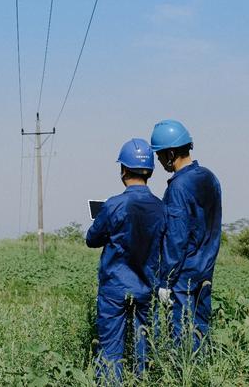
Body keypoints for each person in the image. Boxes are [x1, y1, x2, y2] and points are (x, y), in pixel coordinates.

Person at [86, 138, 166, 381]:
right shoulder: (162, 208)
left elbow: (92, 239)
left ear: (123, 170)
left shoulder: (113, 205)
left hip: (114, 286)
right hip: (146, 286)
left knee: (110, 349)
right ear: (150, 171)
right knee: (146, 345)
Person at [150, 119, 222, 351]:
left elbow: (176, 238)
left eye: (160, 155)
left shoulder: (178, 187)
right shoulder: (210, 178)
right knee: (201, 332)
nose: (159, 161)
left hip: (183, 276)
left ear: (171, 153)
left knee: (182, 338)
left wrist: (165, 281)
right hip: (205, 269)